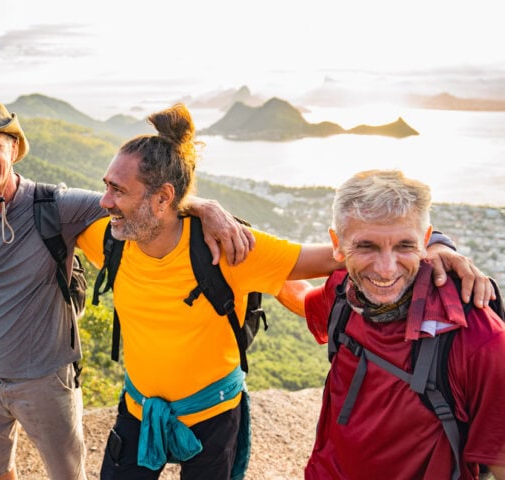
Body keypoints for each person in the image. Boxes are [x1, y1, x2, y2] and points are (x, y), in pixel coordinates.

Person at [74, 104, 492, 480]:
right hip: (137, 409)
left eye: (117, 191)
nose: (105, 201)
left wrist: (437, 245)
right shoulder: (107, 235)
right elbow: (33, 198)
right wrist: (200, 203)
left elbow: (340, 254)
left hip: (215, 415)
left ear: (163, 197)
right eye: (107, 186)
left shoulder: (229, 248)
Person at [0, 98, 257, 480]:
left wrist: (206, 207)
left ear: (13, 149)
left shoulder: (54, 206)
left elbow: (141, 200)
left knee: (67, 475)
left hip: (45, 378)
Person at [284, 169, 505, 479]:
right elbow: (304, 301)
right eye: (366, 247)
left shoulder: (477, 338)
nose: (386, 270)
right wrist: (255, 268)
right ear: (337, 244)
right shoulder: (343, 289)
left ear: (426, 241)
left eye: (404, 246)